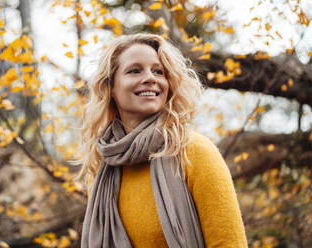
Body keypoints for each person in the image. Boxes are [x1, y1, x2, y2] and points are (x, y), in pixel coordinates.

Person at [79, 33, 248, 248]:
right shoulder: (104, 169)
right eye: (134, 70)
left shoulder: (194, 152)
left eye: (158, 71)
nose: (150, 78)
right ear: (111, 87)